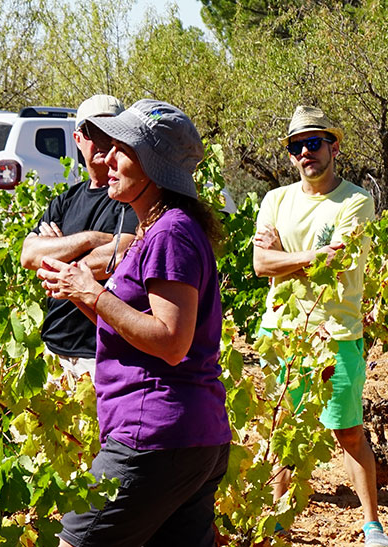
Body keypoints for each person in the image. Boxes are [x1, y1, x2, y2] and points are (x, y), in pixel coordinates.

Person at [37, 100, 230, 547]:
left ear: (152, 164)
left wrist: (93, 292)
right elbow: (132, 327)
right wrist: (78, 291)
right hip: (189, 437)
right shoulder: (161, 228)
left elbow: (170, 340)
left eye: (120, 149)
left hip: (155, 437)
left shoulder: (169, 233)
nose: (106, 158)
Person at [252, 106, 384, 545]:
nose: (306, 152)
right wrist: (312, 258)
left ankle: (371, 523)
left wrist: (284, 258)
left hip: (337, 334)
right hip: (282, 332)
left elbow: (338, 263)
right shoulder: (275, 199)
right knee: (281, 428)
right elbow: (260, 263)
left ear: (334, 145)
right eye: (297, 146)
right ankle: (278, 522)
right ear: (290, 156)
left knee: (347, 431)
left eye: (313, 142)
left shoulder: (356, 201)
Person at [20, 95, 136, 383]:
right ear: (77, 139)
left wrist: (57, 254)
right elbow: (29, 256)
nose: (102, 140)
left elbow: (122, 254)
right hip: (53, 351)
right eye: (91, 132)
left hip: (100, 352)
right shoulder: (65, 200)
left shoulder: (131, 198)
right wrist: (92, 239)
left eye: (111, 131)